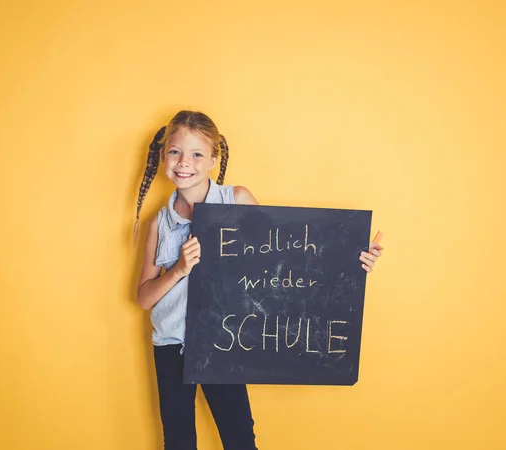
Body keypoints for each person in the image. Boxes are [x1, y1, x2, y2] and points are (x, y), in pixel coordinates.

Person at [134, 110, 383, 450]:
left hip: (224, 338)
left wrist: (350, 259)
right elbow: (144, 297)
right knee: (178, 440)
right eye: (175, 152)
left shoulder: (236, 201)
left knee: (239, 436)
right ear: (164, 156)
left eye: (196, 154)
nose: (184, 163)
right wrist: (178, 269)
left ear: (212, 159)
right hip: (172, 342)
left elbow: (283, 257)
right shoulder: (158, 224)